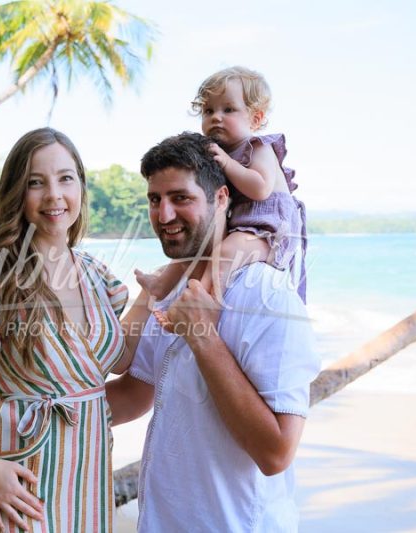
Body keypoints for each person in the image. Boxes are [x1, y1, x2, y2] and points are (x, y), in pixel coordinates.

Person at [0, 128, 147, 533]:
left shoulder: (97, 277)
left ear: (81, 185)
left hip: (87, 479)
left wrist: (152, 298)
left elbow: (114, 362)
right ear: (15, 193)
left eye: (66, 178)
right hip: (16, 482)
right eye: (35, 183)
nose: (54, 196)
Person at [106, 132, 320, 532]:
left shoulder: (266, 294)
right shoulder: (175, 289)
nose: (164, 215)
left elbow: (276, 452)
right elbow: (137, 392)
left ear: (222, 198)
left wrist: (203, 337)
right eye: (155, 199)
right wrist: (43, 410)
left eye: (180, 198)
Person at [136, 66, 308, 305]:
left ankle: (206, 302)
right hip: (246, 225)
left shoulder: (258, 146)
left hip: (271, 228)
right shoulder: (218, 153)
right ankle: (161, 286)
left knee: (225, 255)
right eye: (208, 111)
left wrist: (227, 163)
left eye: (228, 109)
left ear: (255, 118)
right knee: (192, 255)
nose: (216, 117)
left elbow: (260, 188)